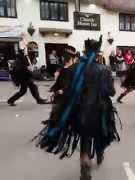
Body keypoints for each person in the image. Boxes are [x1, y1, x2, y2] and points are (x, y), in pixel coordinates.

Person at [33, 36, 120, 180]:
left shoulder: (74, 68)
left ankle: (85, 161)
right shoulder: (105, 69)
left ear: (85, 52)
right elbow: (110, 92)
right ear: (98, 54)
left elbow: (67, 90)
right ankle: (99, 154)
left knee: (85, 139)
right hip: (99, 112)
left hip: (79, 111)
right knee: (101, 134)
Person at [43, 46, 76, 126]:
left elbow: (71, 82)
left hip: (67, 94)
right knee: (56, 114)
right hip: (60, 94)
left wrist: (63, 90)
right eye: (64, 56)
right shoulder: (62, 67)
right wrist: (55, 87)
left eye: (66, 56)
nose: (64, 58)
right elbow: (58, 80)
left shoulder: (74, 68)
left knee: (61, 115)